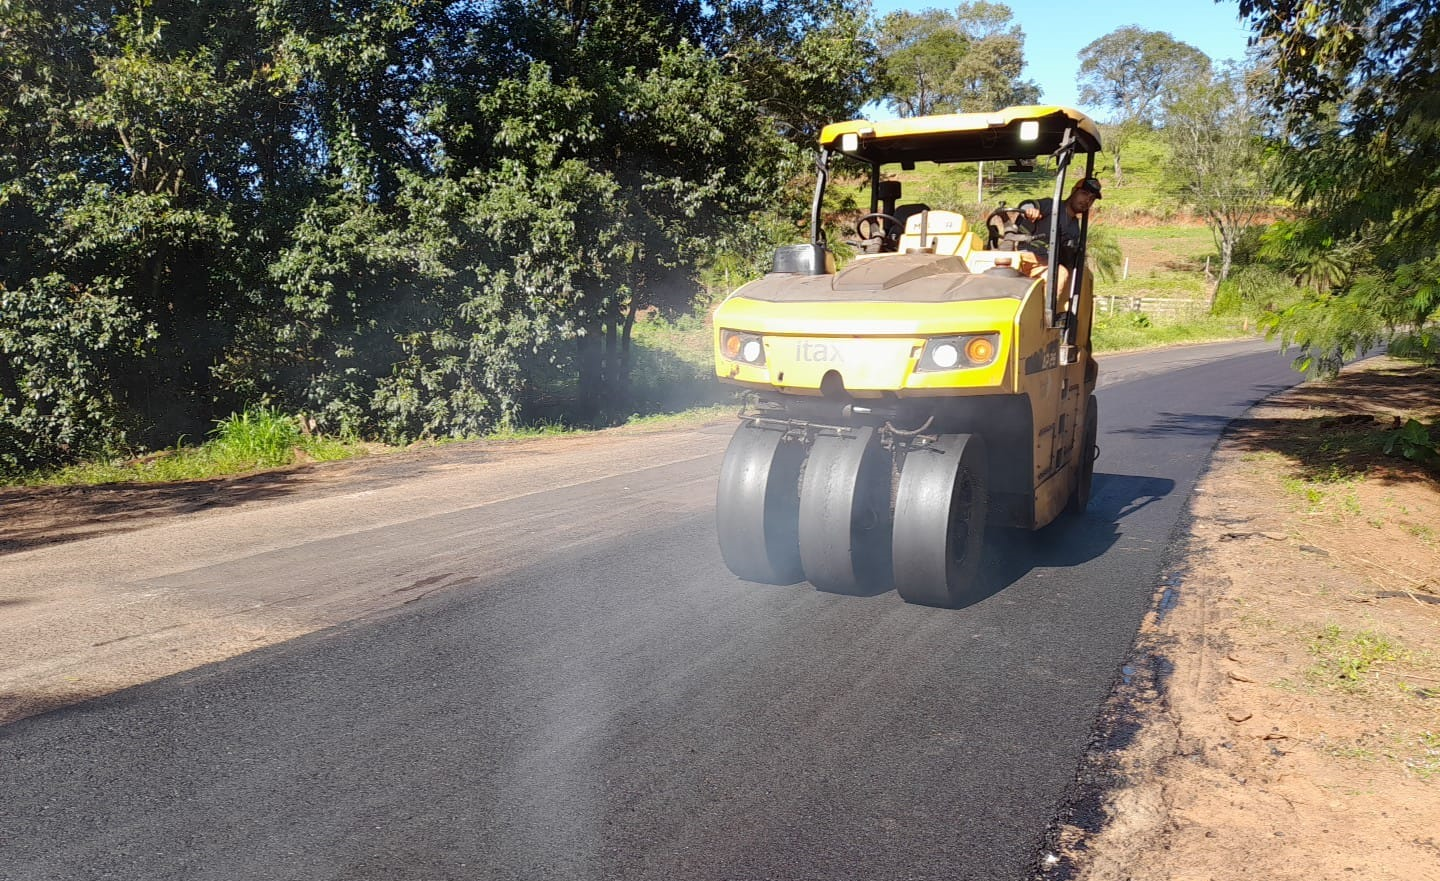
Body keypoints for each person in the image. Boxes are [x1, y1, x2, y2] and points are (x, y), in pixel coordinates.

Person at [1016, 176, 1102, 270]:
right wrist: (1030, 211)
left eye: (1092, 198)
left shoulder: (1075, 227)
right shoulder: (1051, 206)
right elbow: (1027, 205)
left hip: (1050, 267)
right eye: (1084, 194)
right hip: (1029, 258)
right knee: (1061, 273)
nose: (1087, 200)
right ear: (1073, 191)